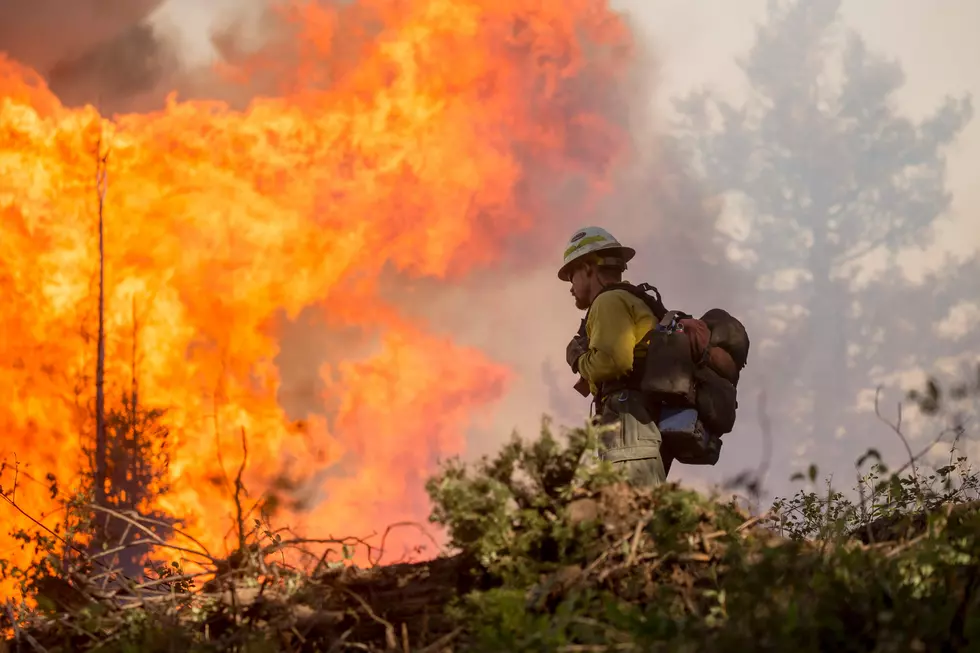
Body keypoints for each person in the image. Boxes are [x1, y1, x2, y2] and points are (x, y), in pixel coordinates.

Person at [559, 226, 670, 486]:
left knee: (631, 510)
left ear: (588, 266)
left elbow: (612, 363)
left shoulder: (608, 302)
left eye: (571, 275)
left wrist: (577, 358)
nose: (571, 287)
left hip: (628, 426)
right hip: (641, 428)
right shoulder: (631, 299)